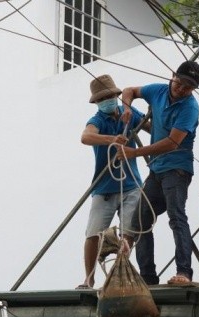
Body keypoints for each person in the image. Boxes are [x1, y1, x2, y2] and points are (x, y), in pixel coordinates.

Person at [117, 60, 199, 285]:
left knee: (176, 217)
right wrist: (127, 107)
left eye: (188, 87)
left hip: (177, 170)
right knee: (141, 222)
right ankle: (147, 277)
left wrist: (134, 153)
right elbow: (130, 91)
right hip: (156, 170)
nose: (181, 88)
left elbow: (173, 142)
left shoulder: (190, 108)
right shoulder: (158, 91)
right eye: (180, 82)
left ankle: (184, 272)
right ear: (173, 76)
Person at [77, 74, 148, 289]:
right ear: (97, 102)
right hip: (104, 187)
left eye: (109, 97)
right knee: (93, 234)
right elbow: (86, 137)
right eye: (101, 99)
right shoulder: (97, 120)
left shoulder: (129, 114)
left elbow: (150, 126)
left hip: (131, 184)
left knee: (129, 234)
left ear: (116, 96)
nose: (106, 101)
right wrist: (111, 140)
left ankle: (120, 275)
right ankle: (89, 279)